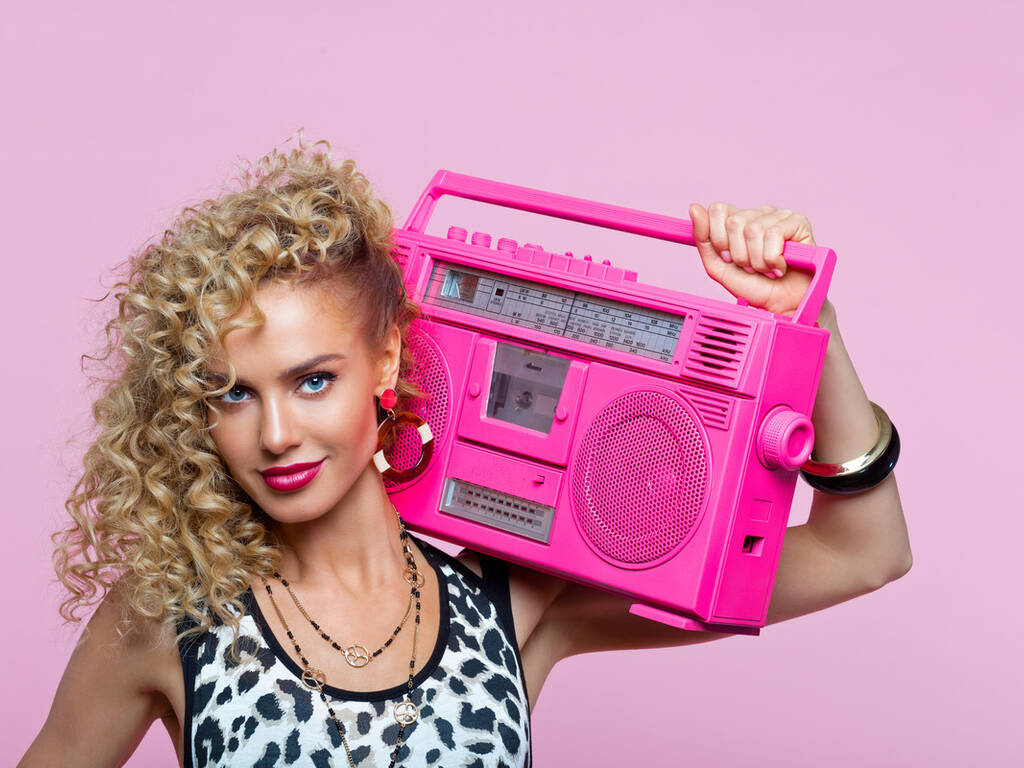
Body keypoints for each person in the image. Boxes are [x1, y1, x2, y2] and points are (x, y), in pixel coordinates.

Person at [19, 141, 912, 768]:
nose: (278, 434)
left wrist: (812, 329)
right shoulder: (169, 619)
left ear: (387, 363)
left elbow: (862, 553)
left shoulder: (512, 602)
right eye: (234, 394)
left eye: (313, 381)